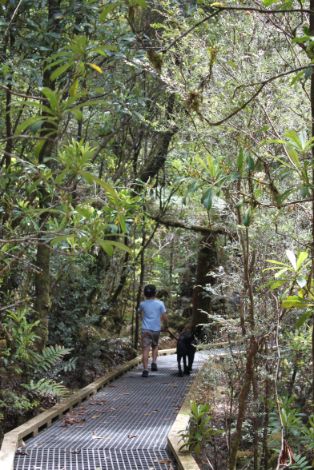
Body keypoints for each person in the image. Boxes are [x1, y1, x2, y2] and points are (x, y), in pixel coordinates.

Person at [138, 284, 168, 377]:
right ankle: (154, 363)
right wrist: (165, 326)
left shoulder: (142, 304)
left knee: (145, 349)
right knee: (155, 346)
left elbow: (139, 313)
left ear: (145, 294)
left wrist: (142, 319)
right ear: (155, 293)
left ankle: (145, 370)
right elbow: (165, 317)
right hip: (156, 329)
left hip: (145, 329)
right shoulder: (160, 303)